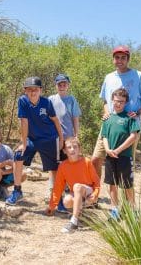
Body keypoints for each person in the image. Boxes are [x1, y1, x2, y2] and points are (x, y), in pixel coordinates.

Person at [92, 45, 141, 178]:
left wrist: (137, 113)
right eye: (117, 57)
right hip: (109, 125)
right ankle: (94, 195)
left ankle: (125, 199)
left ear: (128, 59)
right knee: (96, 159)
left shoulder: (139, 76)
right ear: (113, 59)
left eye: (123, 58)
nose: (120, 60)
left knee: (125, 167)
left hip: (129, 128)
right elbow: (105, 101)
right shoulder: (109, 77)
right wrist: (106, 112)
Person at [5, 76, 64, 205]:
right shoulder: (23, 101)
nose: (33, 92)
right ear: (25, 90)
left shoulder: (46, 102)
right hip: (32, 138)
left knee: (54, 167)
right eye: (30, 89)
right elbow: (24, 122)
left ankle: (57, 198)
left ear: (40, 90)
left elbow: (55, 120)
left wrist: (61, 139)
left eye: (35, 89)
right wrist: (24, 143)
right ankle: (17, 191)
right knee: (18, 155)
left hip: (49, 137)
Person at [45, 137, 100, 233]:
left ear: (79, 149)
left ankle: (73, 222)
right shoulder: (63, 166)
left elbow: (97, 182)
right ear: (65, 151)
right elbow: (58, 187)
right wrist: (51, 206)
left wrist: (95, 195)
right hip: (76, 194)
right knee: (67, 201)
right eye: (69, 147)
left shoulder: (87, 162)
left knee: (77, 186)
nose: (72, 149)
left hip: (88, 192)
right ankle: (81, 216)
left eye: (75, 147)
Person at [101, 88, 140, 220]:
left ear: (125, 103)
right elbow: (104, 136)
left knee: (127, 185)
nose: (118, 104)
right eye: (116, 101)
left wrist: (118, 150)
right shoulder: (108, 118)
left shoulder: (129, 117)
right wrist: (107, 149)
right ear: (112, 100)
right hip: (110, 156)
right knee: (112, 184)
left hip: (124, 156)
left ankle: (133, 211)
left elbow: (133, 136)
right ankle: (114, 209)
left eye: (121, 102)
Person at [49, 73, 82, 212]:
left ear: (68, 85)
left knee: (69, 167)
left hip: (68, 140)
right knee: (54, 168)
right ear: (56, 85)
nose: (62, 86)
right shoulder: (50, 99)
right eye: (59, 84)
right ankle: (55, 196)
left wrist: (76, 136)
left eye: (64, 84)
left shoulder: (71, 100)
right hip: (54, 139)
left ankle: (70, 196)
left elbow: (75, 118)